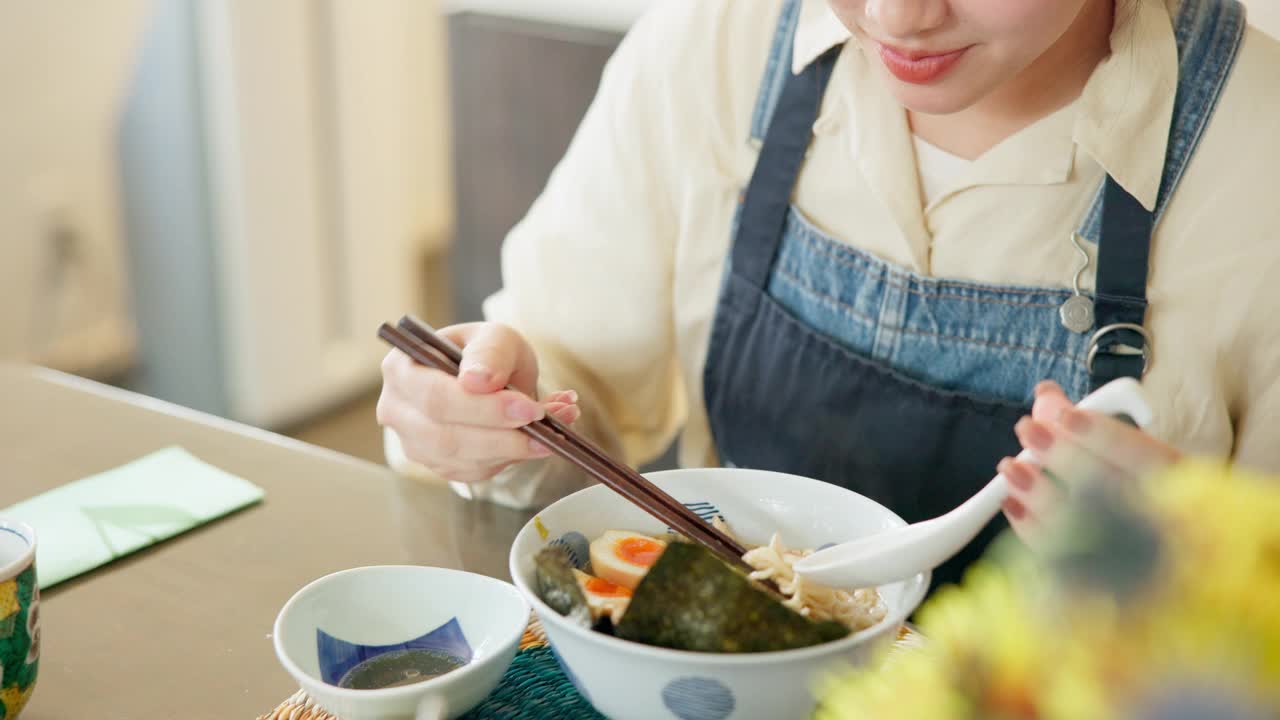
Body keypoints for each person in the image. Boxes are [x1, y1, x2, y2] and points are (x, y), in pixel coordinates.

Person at [378, 0, 1280, 589]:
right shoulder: (720, 40)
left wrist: (1218, 573)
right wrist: (481, 417)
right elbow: (557, 380)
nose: (898, 16)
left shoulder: (1258, 154)